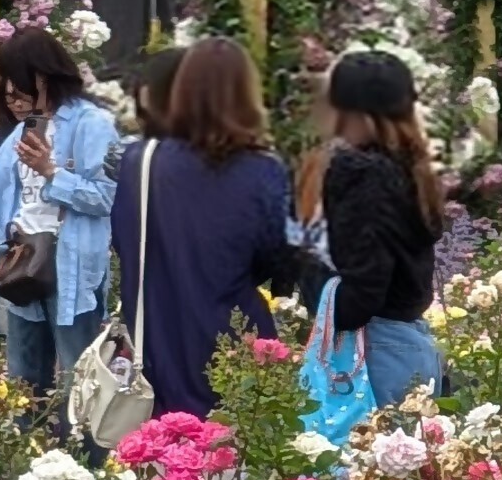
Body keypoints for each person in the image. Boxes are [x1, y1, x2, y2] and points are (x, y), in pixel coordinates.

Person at [106, 38, 323, 419]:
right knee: (241, 443)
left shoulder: (141, 161)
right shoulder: (261, 170)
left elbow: (125, 243)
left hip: (159, 338)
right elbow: (279, 258)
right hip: (237, 336)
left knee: (167, 446)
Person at [0, 25, 119, 399]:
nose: (12, 89)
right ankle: (29, 438)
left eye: (17, 77)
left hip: (71, 267)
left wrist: (52, 172)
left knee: (79, 382)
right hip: (20, 264)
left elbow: (106, 198)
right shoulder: (20, 134)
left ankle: (81, 441)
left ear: (44, 74)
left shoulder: (93, 124)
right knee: (23, 381)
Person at [316, 52, 450, 408]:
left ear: (351, 113)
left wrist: (308, 273)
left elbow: (361, 294)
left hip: (373, 355)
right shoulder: (411, 167)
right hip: (411, 346)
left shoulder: (361, 173)